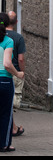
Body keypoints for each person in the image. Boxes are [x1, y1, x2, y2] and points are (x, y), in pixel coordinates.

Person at [0, 13, 24, 152]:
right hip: (4, 81)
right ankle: (4, 144)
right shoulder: (8, 41)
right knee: (5, 114)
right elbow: (7, 64)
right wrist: (18, 73)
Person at [6, 11, 26, 137]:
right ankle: (12, 128)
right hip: (13, 72)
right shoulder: (18, 38)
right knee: (11, 103)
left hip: (4, 71)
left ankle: (12, 127)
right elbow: (21, 59)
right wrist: (21, 72)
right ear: (16, 22)